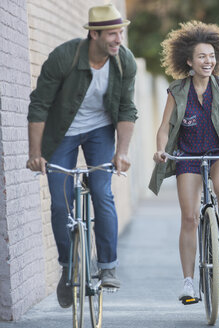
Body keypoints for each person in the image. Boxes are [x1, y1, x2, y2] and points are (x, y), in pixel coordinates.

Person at [26, 4, 137, 308]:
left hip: (100, 131)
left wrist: (122, 152)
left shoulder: (124, 62)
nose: (118, 39)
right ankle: (68, 267)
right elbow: (39, 106)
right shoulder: (64, 57)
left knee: (102, 192)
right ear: (94, 34)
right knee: (61, 204)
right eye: (113, 33)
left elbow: (127, 109)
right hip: (61, 133)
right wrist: (35, 153)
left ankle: (108, 265)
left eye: (121, 32)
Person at [148, 21, 219, 302]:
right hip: (188, 156)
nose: (209, 61)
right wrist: (160, 150)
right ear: (189, 61)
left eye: (212, 56)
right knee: (190, 217)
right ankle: (189, 283)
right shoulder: (177, 91)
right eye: (202, 57)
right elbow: (165, 127)